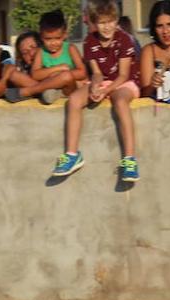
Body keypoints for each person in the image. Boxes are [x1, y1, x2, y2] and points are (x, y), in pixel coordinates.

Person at [54, 0, 141, 181]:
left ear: (116, 21)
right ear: (94, 23)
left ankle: (130, 159)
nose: (107, 27)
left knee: (120, 101)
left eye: (110, 22)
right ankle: (72, 154)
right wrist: (95, 86)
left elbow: (124, 75)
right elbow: (97, 73)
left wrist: (106, 90)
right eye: (101, 22)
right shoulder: (90, 41)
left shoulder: (124, 39)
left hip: (125, 82)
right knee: (74, 100)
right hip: (105, 81)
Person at [30, 9, 88, 104]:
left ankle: (61, 93)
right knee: (48, 95)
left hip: (70, 87)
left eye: (57, 38)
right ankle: (58, 93)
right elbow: (35, 74)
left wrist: (62, 75)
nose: (53, 43)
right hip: (53, 85)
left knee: (67, 77)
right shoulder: (41, 51)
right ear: (41, 36)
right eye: (48, 39)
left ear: (64, 35)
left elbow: (82, 72)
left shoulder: (70, 48)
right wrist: (58, 69)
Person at [5, 31, 46, 100]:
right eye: (25, 52)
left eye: (33, 47)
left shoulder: (53, 63)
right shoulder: (24, 75)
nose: (31, 53)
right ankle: (44, 92)